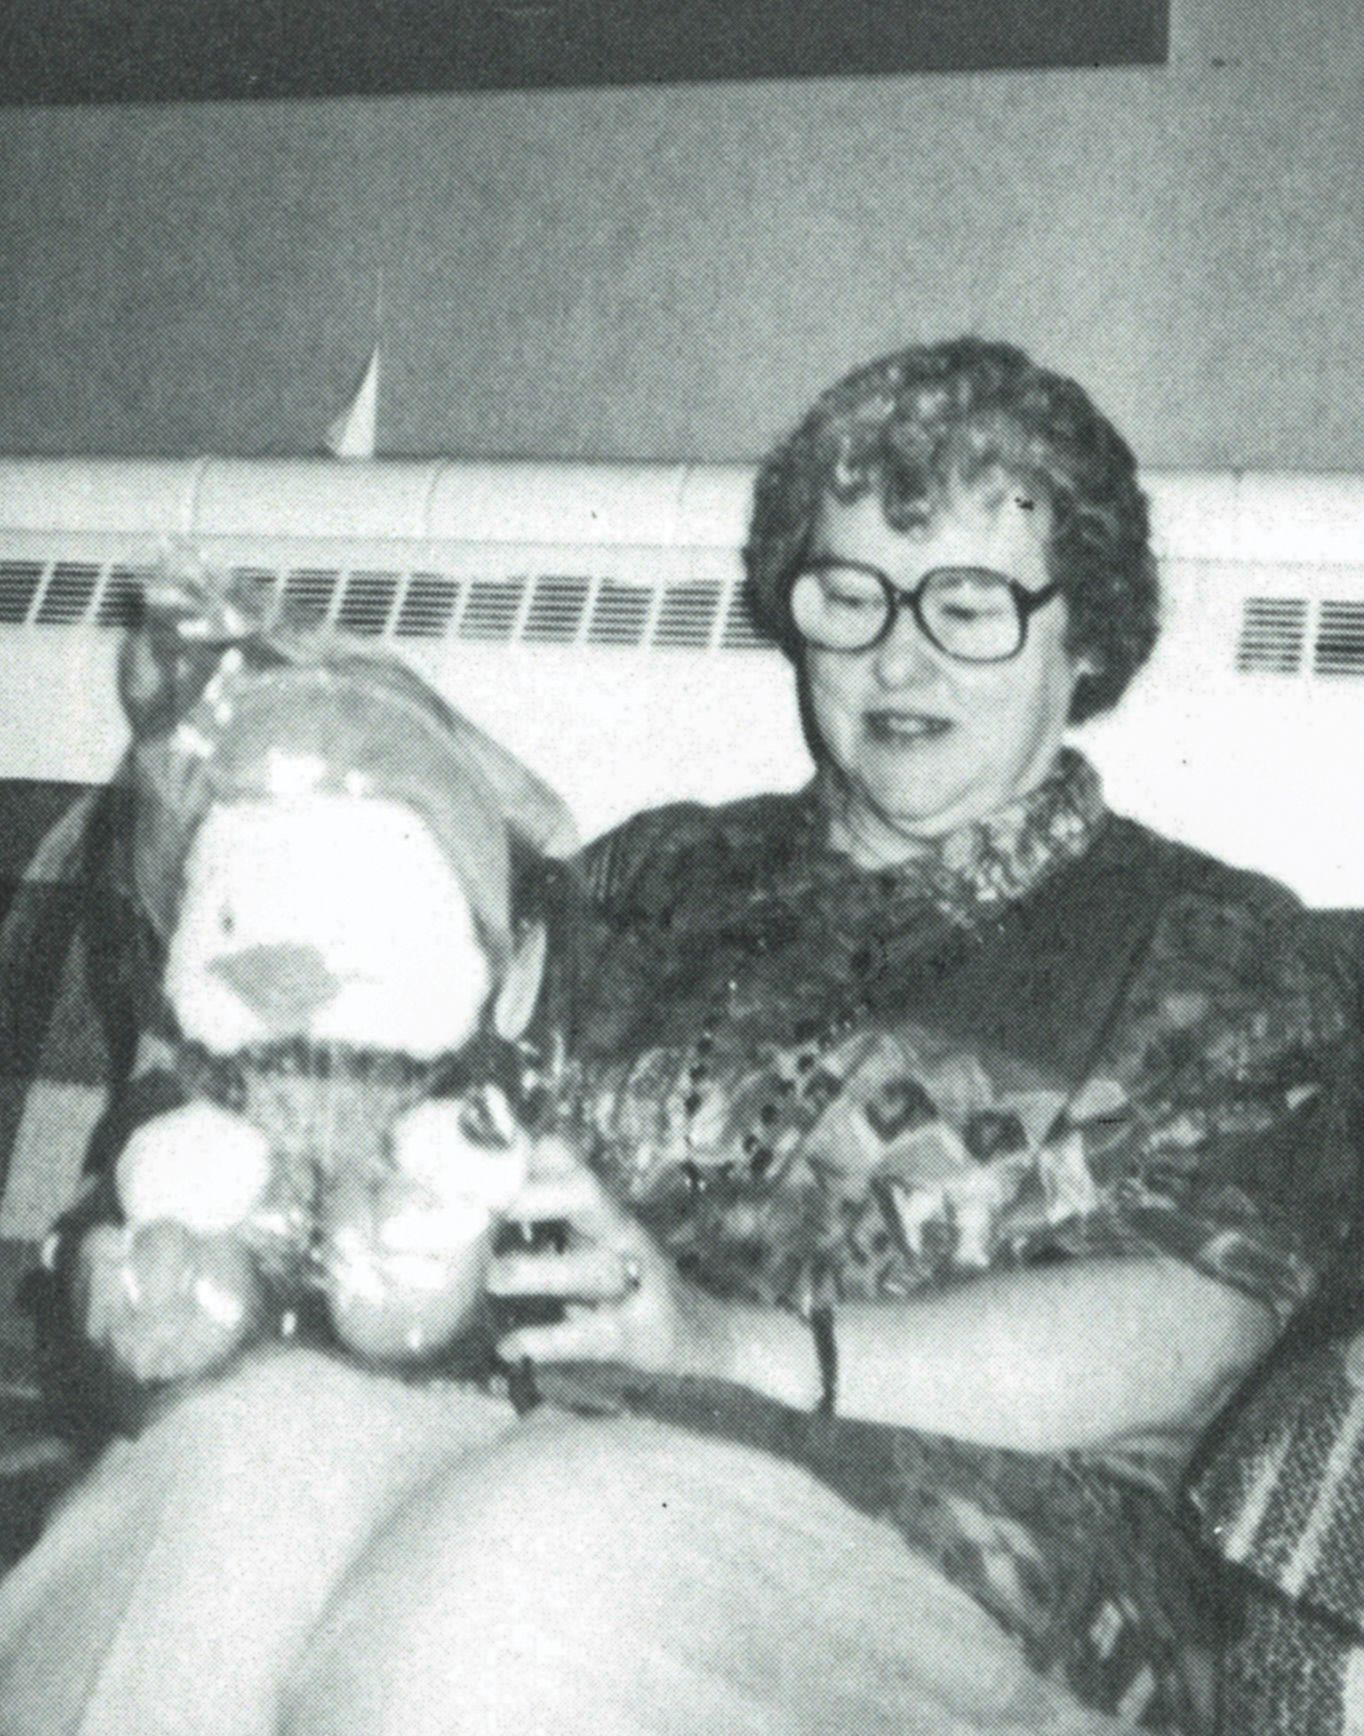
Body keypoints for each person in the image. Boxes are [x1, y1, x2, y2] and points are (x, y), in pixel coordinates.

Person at [0, 337, 1354, 1735]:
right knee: (234, 1471)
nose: (900, 653)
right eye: (852, 594)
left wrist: (735, 1344)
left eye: (968, 603)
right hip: (520, 1433)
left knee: (520, 1571)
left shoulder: (1211, 942)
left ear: (1090, 632)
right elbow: (408, 1101)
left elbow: (1184, 1331)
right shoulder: (654, 876)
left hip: (972, 1549)